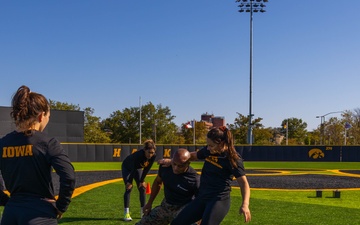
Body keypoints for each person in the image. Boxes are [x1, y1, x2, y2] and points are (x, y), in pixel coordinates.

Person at [0, 85, 76, 224]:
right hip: (40, 213)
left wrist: (5, 200)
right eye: (48, 116)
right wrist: (61, 207)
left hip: (10, 214)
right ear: (41, 116)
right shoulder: (48, 143)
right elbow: (69, 176)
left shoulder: (2, 143)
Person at [161, 126, 251, 225]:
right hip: (202, 197)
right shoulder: (209, 151)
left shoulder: (233, 159)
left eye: (211, 145)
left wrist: (245, 205)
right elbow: (193, 156)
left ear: (221, 143)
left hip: (218, 200)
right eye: (207, 145)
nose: (208, 148)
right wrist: (172, 161)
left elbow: (244, 184)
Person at [135, 148, 200, 225]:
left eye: (180, 166)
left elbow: (201, 201)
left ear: (188, 164)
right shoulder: (165, 167)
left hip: (183, 209)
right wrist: (149, 203)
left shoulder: (195, 179)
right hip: (166, 207)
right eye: (174, 164)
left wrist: (198, 218)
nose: (176, 168)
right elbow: (158, 182)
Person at [122, 139, 156, 221]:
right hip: (127, 167)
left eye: (152, 153)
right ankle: (126, 213)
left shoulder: (153, 156)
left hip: (137, 169)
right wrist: (129, 182)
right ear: (144, 150)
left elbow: (147, 168)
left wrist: (142, 180)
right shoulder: (138, 155)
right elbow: (133, 168)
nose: (150, 155)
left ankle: (143, 212)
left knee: (142, 188)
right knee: (128, 188)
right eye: (149, 152)